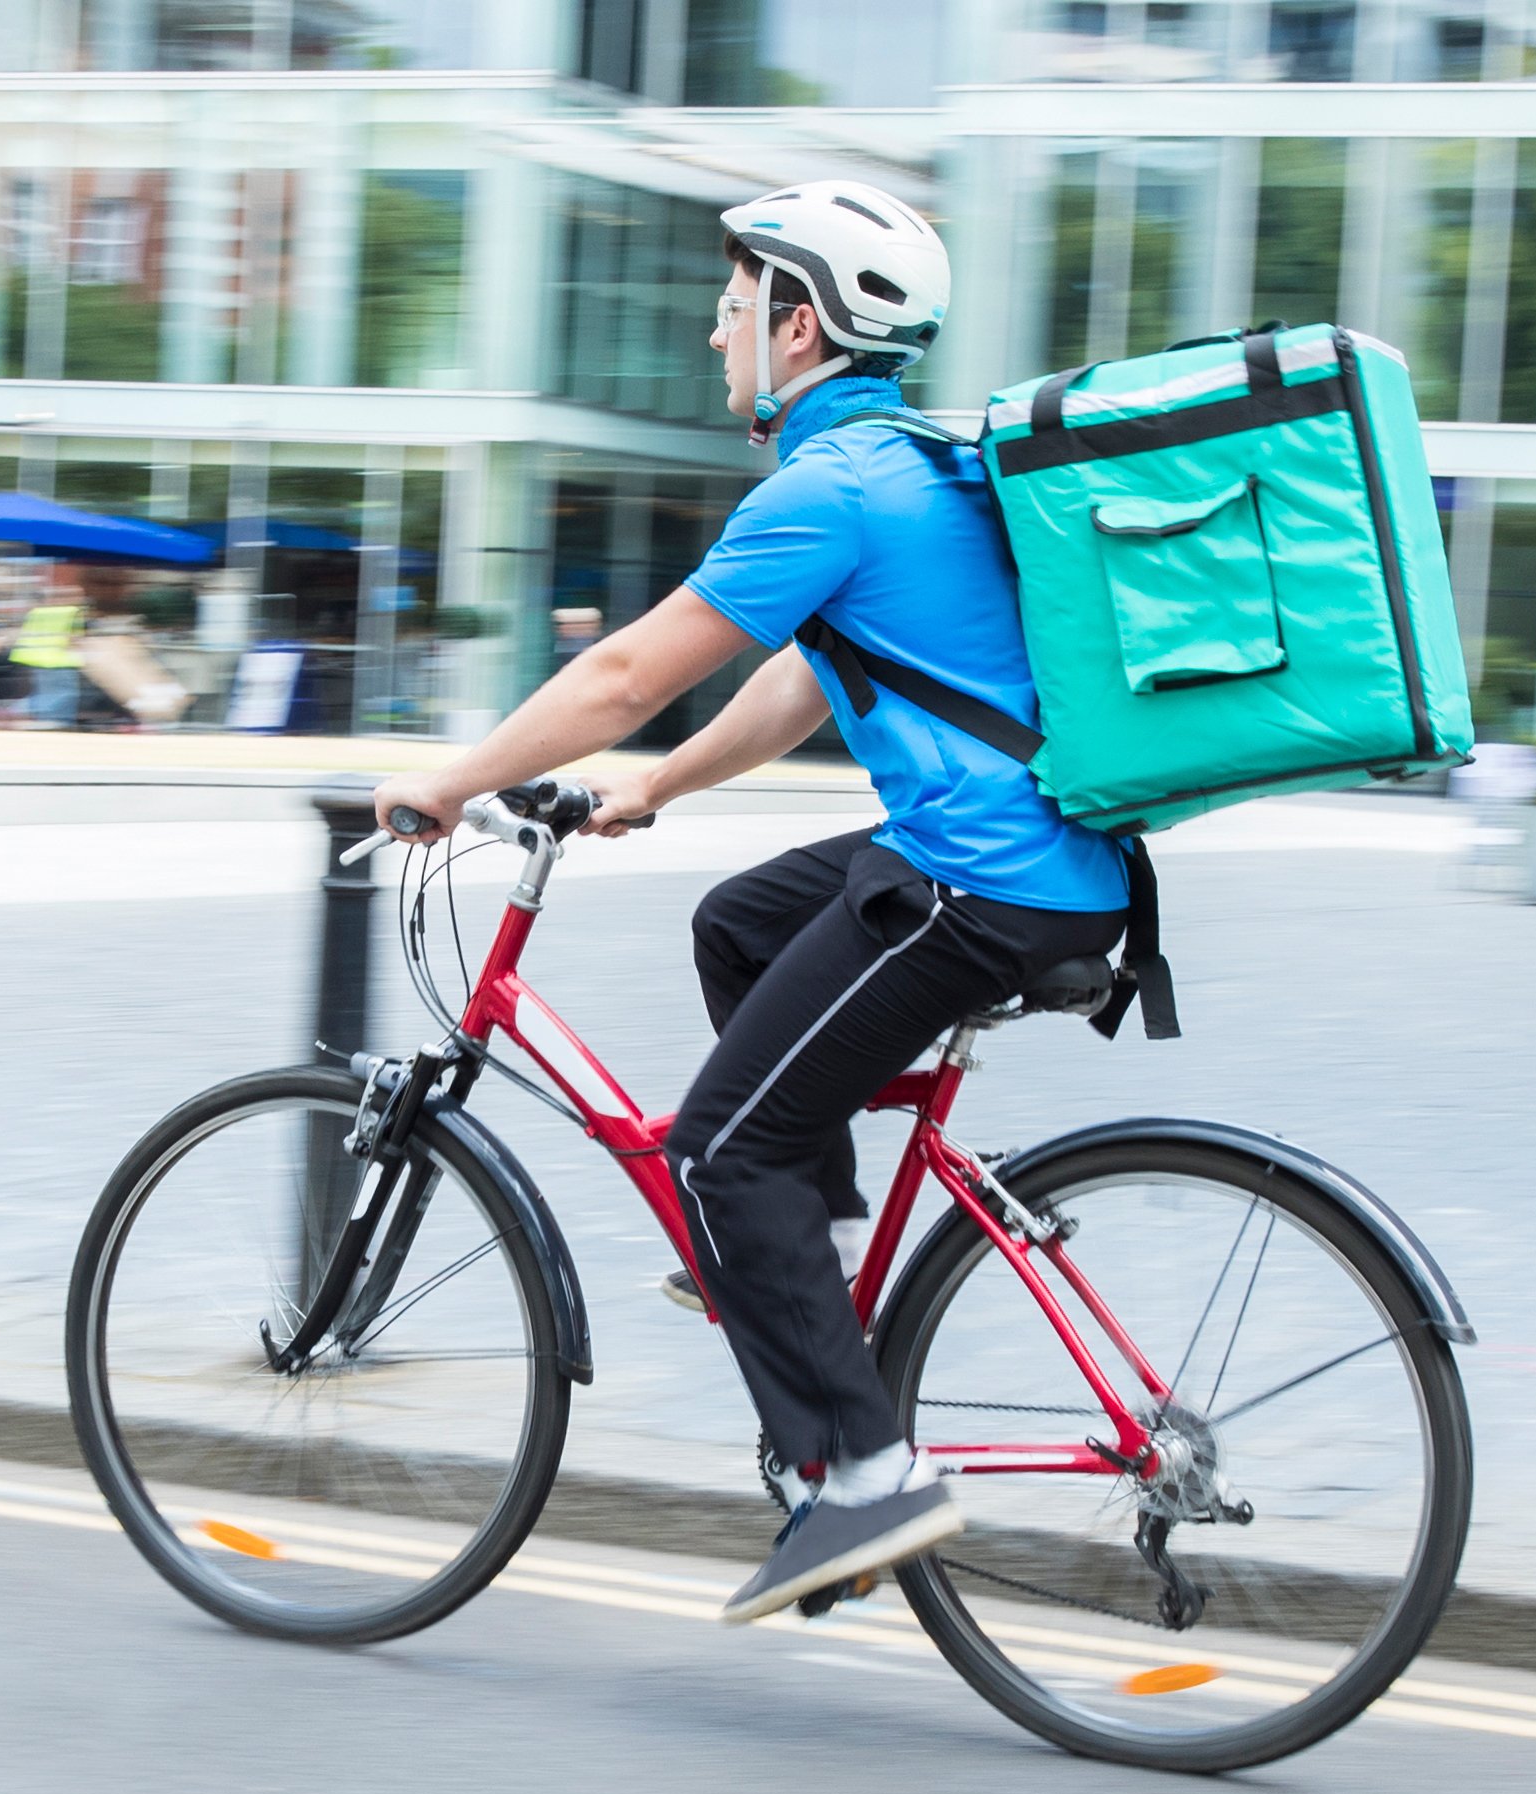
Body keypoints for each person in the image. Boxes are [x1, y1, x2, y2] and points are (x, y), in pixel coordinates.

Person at [371, 181, 1136, 1625]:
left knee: (719, 1144)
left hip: (977, 884)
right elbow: (808, 676)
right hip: (1039, 862)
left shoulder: (829, 485)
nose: (712, 328)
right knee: (739, 918)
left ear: (798, 325)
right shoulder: (910, 464)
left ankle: (864, 1474)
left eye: (731, 306)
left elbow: (621, 676)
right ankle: (814, 1248)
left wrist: (449, 777)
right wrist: (658, 792)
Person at [9, 574, 87, 727]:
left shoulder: (37, 613)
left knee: (45, 698)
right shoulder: (71, 612)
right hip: (62, 663)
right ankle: (54, 728)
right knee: (63, 700)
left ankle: (27, 718)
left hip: (35, 661)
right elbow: (75, 641)